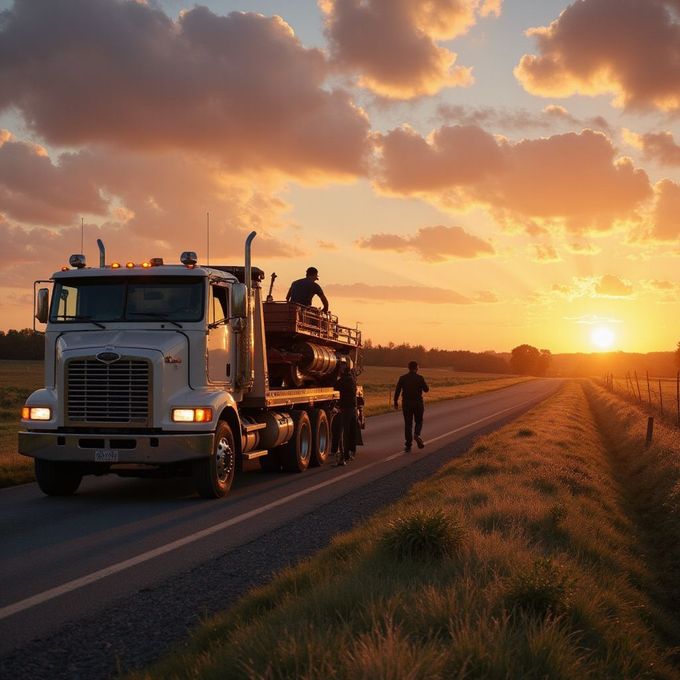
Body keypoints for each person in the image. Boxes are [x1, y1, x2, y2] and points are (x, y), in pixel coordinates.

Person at [394, 361, 429, 453]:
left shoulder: (403, 378)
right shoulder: (420, 378)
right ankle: (417, 435)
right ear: (417, 368)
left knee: (408, 425)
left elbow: (397, 390)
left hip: (406, 404)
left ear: (408, 368)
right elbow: (426, 390)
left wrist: (395, 402)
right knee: (419, 421)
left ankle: (408, 445)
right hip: (418, 403)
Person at [333, 361, 358, 465]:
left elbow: (334, 386)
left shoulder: (343, 380)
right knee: (351, 430)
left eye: (340, 369)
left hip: (346, 409)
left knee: (344, 432)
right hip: (352, 408)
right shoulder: (351, 379)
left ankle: (345, 455)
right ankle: (351, 452)